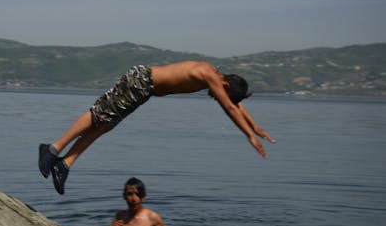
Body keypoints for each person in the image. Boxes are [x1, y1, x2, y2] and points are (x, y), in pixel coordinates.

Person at [39, 61, 276, 194]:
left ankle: (65, 163)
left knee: (106, 124)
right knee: (99, 115)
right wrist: (248, 136)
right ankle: (52, 149)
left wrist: (255, 127)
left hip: (145, 89)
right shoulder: (208, 74)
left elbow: (235, 105)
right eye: (219, 94)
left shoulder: (217, 78)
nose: (215, 97)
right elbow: (230, 108)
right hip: (141, 81)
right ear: (224, 84)